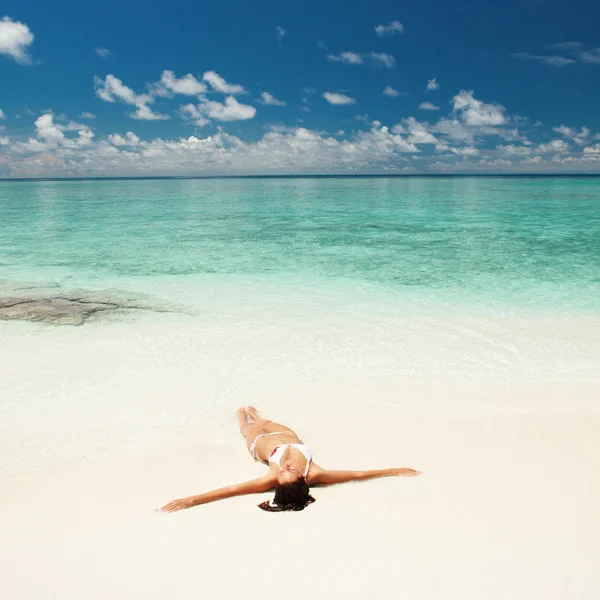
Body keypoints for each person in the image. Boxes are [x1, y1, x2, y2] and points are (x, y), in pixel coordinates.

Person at [161, 407, 420, 513]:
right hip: (286, 433)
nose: (286, 468)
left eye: (283, 472)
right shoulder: (315, 474)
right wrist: (395, 470)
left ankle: (244, 416)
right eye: (290, 471)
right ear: (302, 479)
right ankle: (253, 414)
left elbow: (230, 490)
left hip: (258, 444)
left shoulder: (272, 478)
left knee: (247, 426)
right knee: (262, 420)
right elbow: (359, 475)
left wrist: (191, 500)